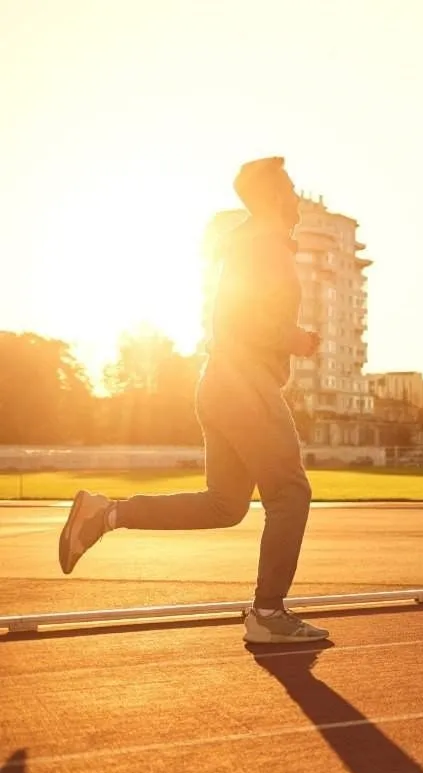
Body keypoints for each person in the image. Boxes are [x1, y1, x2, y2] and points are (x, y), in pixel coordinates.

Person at [57, 156, 329, 644]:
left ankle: (106, 514)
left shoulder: (253, 243)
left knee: (225, 505)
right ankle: (268, 615)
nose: (295, 196)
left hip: (222, 383)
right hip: (245, 384)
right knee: (290, 494)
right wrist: (294, 339)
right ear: (271, 197)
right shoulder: (264, 244)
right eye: (288, 187)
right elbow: (247, 317)